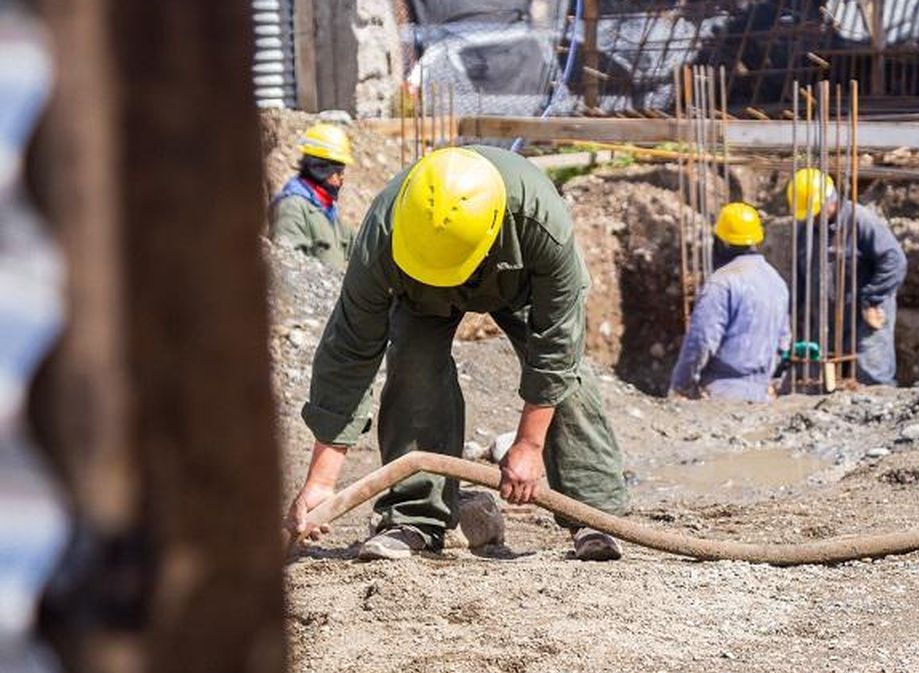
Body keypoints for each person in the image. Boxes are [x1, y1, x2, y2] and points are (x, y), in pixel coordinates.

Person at [285, 146, 628, 561]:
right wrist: (322, 480)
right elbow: (350, 349)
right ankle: (416, 517)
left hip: (516, 278)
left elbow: (557, 343)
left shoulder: (541, 222)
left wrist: (529, 445)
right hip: (418, 290)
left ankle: (593, 515)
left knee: (566, 379)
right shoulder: (383, 234)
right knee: (413, 363)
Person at [789, 168, 907, 386]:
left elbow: (894, 261)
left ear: (829, 201)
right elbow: (800, 274)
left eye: (814, 211)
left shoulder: (860, 221)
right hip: (826, 315)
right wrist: (794, 317)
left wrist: (872, 300)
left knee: (872, 375)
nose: (811, 218)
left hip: (865, 313)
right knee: (816, 378)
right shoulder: (807, 228)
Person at [669, 202, 790, 402]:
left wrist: (681, 385)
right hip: (762, 395)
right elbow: (784, 342)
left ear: (722, 243)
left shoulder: (722, 282)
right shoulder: (776, 282)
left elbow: (702, 341)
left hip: (721, 393)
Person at [268, 123, 356, 269]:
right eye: (339, 173)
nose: (342, 180)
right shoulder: (292, 208)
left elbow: (358, 246)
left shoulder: (327, 210)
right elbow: (288, 268)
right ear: (321, 170)